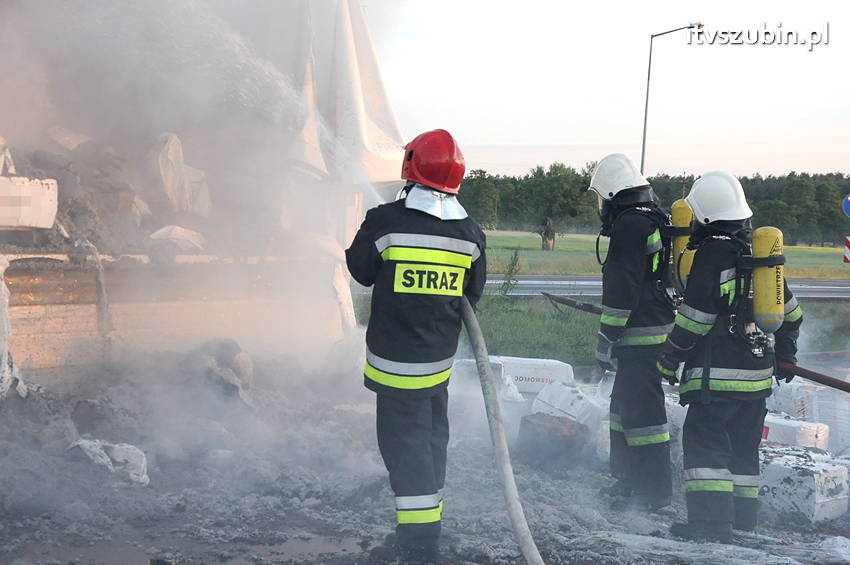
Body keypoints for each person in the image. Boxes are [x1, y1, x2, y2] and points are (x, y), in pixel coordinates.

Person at [345, 129, 487, 563]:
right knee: (430, 444)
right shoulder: (470, 233)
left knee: (405, 454)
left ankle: (420, 546)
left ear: (410, 166)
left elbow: (360, 271)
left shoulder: (385, 220)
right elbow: (472, 296)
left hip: (394, 368)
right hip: (437, 370)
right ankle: (429, 525)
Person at [656, 171, 803, 543]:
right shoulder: (758, 254)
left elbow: (696, 317)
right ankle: (742, 523)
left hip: (715, 380)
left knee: (706, 450)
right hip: (756, 381)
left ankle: (710, 526)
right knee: (743, 454)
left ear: (703, 213)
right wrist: (786, 354)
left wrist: (670, 356)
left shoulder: (712, 252)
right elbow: (792, 314)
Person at [588, 153, 675, 511]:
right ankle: (627, 481)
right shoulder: (655, 217)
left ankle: (653, 493)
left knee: (644, 417)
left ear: (612, 194)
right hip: (655, 330)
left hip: (640, 337)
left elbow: (621, 292)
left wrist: (603, 343)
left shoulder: (629, 226)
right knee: (624, 410)